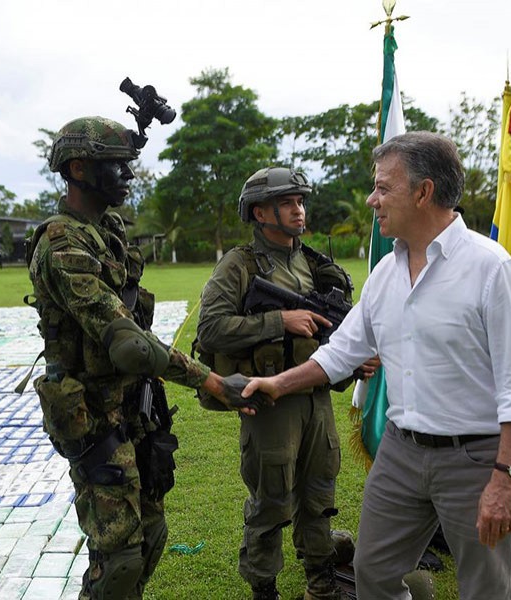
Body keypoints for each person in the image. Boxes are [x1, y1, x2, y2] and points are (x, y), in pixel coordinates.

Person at [242, 132, 511, 600]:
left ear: (424, 192)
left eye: (384, 188)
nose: (372, 199)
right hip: (401, 453)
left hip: (477, 458)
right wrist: (277, 384)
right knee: (375, 574)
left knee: (485, 588)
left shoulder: (493, 271)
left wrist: (505, 479)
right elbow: (341, 351)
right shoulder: (386, 271)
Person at [25, 116, 253, 600]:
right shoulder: (62, 243)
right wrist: (211, 381)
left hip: (135, 407)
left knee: (151, 536)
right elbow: (127, 342)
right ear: (79, 169)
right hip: (94, 418)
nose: (128, 177)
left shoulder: (106, 228)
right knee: (119, 557)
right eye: (117, 167)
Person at [196, 167, 362, 600]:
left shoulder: (315, 265)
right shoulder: (240, 265)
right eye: (287, 202)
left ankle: (320, 583)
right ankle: (264, 588)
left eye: (300, 201)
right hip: (270, 404)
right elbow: (210, 329)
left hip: (316, 401)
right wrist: (278, 320)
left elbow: (331, 340)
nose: (298, 210)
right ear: (259, 212)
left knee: (319, 496)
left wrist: (352, 364)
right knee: (271, 502)